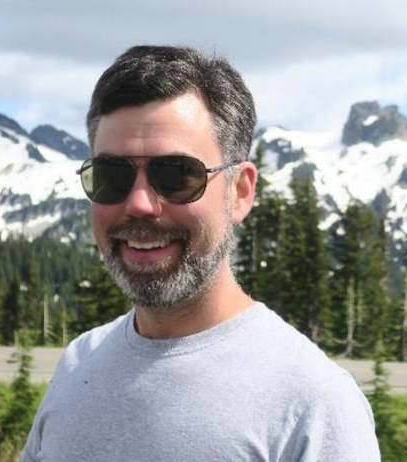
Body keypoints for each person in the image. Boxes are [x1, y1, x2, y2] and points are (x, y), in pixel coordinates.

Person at [22, 45, 380, 461]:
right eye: (111, 175)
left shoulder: (313, 402)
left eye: (175, 175)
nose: (139, 203)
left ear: (241, 192)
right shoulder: (77, 364)